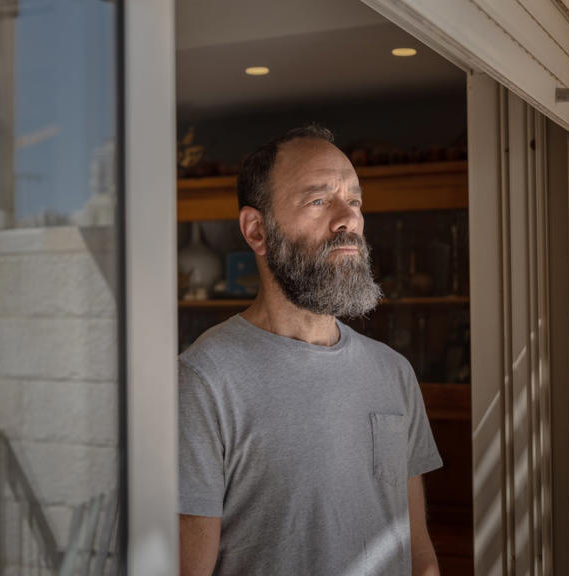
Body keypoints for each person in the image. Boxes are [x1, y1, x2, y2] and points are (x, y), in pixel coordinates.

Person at [178, 125, 443, 575]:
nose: (348, 219)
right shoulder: (203, 381)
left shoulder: (393, 373)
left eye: (354, 200)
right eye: (319, 200)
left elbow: (416, 552)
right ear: (257, 230)